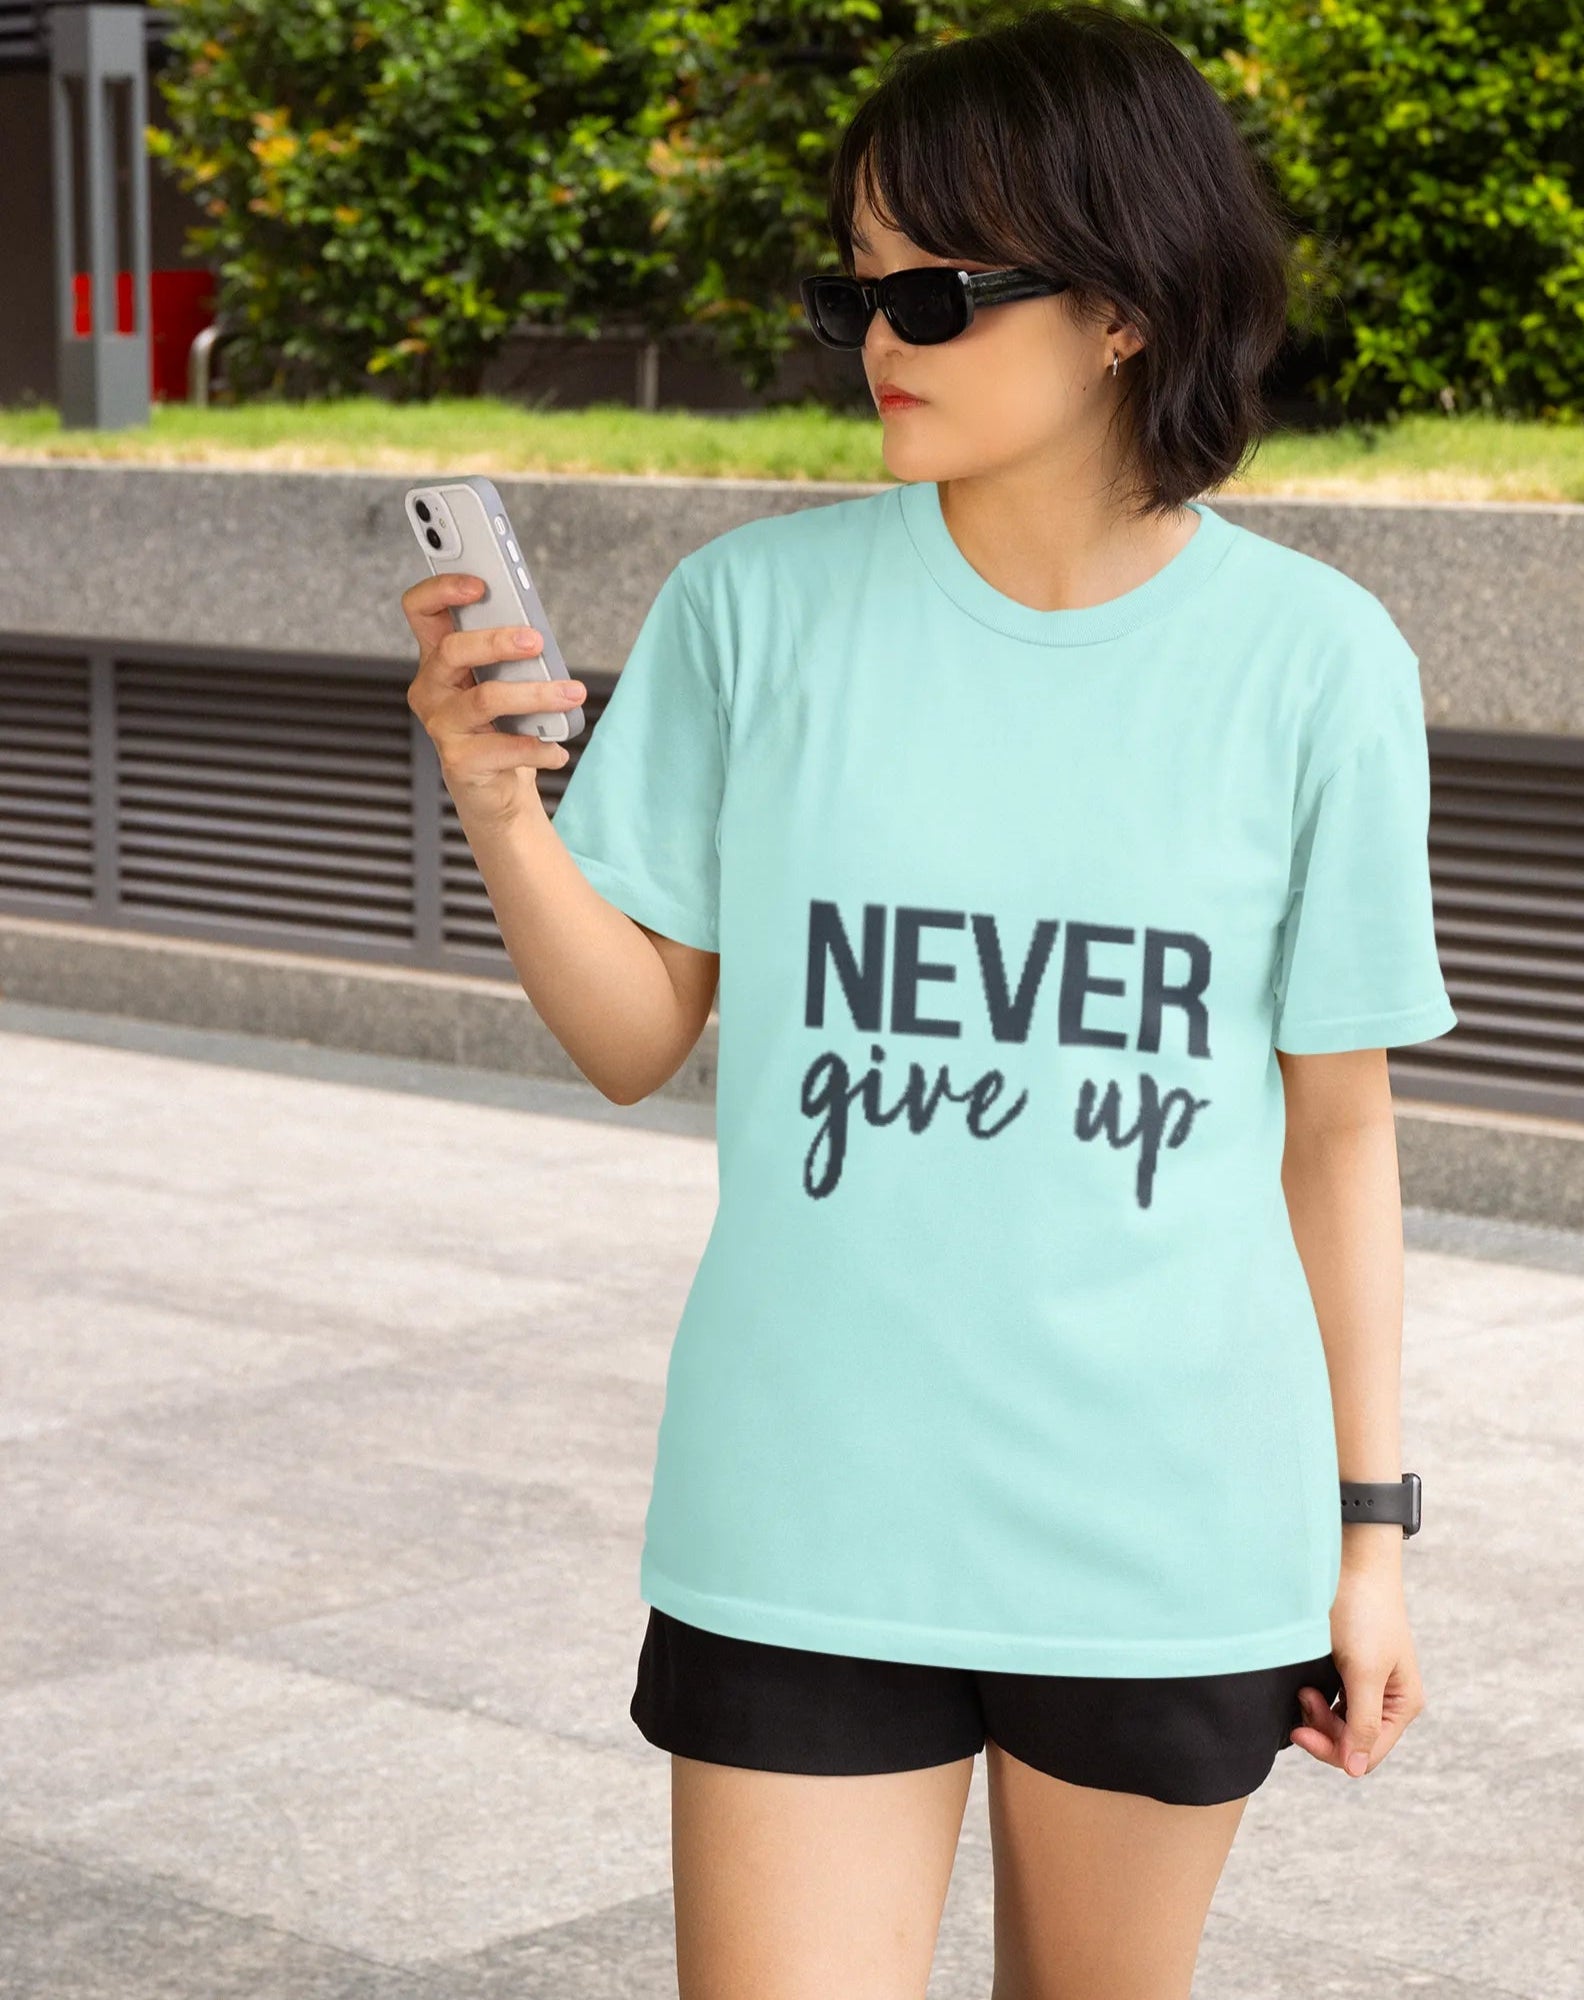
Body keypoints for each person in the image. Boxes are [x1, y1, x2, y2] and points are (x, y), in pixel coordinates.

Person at [403, 6, 1455, 1994]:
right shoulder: (754, 612)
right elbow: (635, 1038)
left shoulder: (1317, 664)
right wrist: (495, 804)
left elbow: (1338, 1132)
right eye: (854, 287)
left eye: (941, 291)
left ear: (1130, 308)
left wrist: (1370, 1538)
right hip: (804, 1512)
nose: (878, 334)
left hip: (1165, 1527)